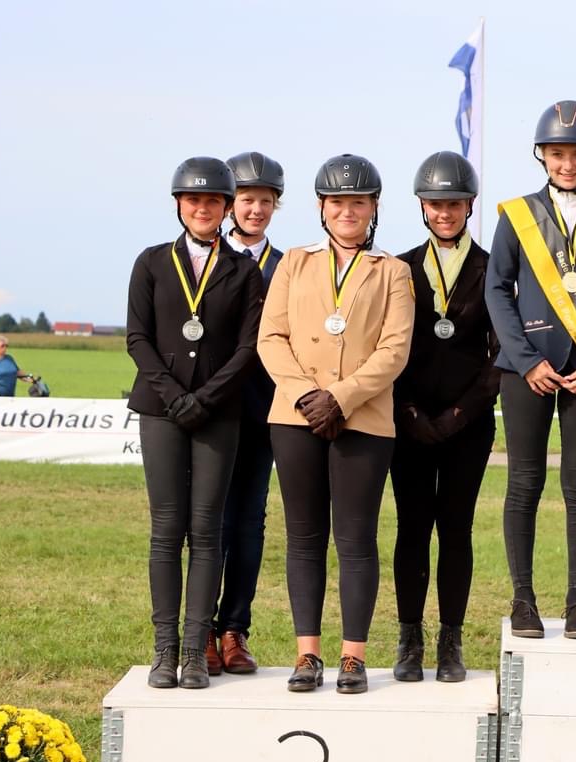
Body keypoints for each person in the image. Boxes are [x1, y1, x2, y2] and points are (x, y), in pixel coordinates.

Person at [258, 154, 415, 694]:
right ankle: (307, 655)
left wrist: (342, 398)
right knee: (303, 537)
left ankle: (353, 656)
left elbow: (395, 349)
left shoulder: (392, 271)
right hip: (294, 417)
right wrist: (307, 396)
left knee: (355, 539)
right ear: (322, 209)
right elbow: (270, 338)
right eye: (337, 202)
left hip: (364, 420)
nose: (347, 211)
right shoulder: (293, 264)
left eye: (358, 202)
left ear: (373, 209)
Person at [485, 100, 576, 640]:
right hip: (526, 371)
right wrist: (525, 361)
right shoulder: (515, 217)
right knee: (523, 484)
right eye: (557, 153)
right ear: (541, 155)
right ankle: (523, 599)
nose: (567, 163)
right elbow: (497, 291)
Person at [126, 157, 264, 689]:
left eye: (212, 201)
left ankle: (193, 652)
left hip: (217, 413)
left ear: (226, 208)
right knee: (166, 532)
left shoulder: (244, 270)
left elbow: (248, 347)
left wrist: (204, 398)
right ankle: (163, 650)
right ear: (179, 205)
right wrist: (174, 396)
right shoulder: (152, 262)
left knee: (207, 533)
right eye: (193, 201)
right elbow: (138, 337)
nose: (202, 208)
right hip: (161, 411)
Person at [391, 151, 499, 681]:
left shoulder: (492, 266)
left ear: (469, 206)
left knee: (456, 531)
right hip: (407, 423)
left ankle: (450, 642)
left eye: (454, 203)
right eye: (436, 204)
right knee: (411, 530)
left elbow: (500, 353)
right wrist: (409, 411)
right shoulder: (400, 268)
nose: (445, 212)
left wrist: (459, 414)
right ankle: (409, 639)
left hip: (468, 424)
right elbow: (386, 346)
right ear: (422, 207)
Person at [204, 151, 286, 677]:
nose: (255, 210)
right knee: (207, 522)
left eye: (265, 201)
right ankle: (200, 631)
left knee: (249, 523)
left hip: (262, 413)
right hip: (211, 413)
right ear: (230, 204)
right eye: (247, 200)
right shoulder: (204, 258)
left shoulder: (289, 265)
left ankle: (235, 630)